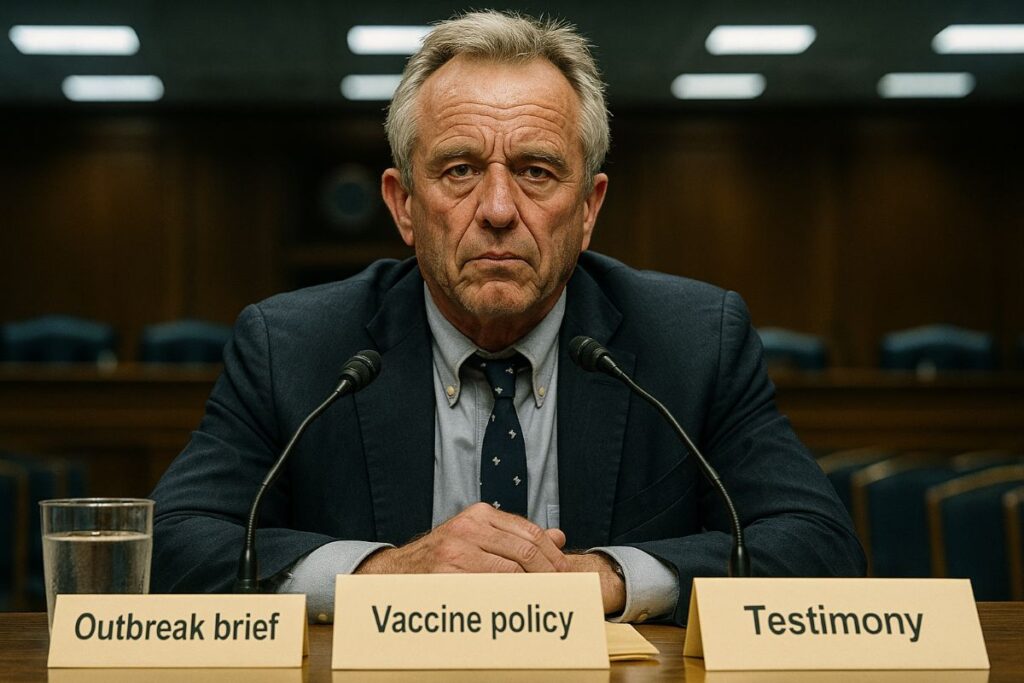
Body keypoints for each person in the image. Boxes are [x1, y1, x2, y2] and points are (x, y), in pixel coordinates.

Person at [150, 10, 864, 626]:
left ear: (588, 208)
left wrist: (610, 579)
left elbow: (822, 547)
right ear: (403, 204)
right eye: (459, 169)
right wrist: (379, 576)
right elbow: (171, 544)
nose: (496, 210)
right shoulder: (294, 346)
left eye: (536, 170)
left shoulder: (694, 340)